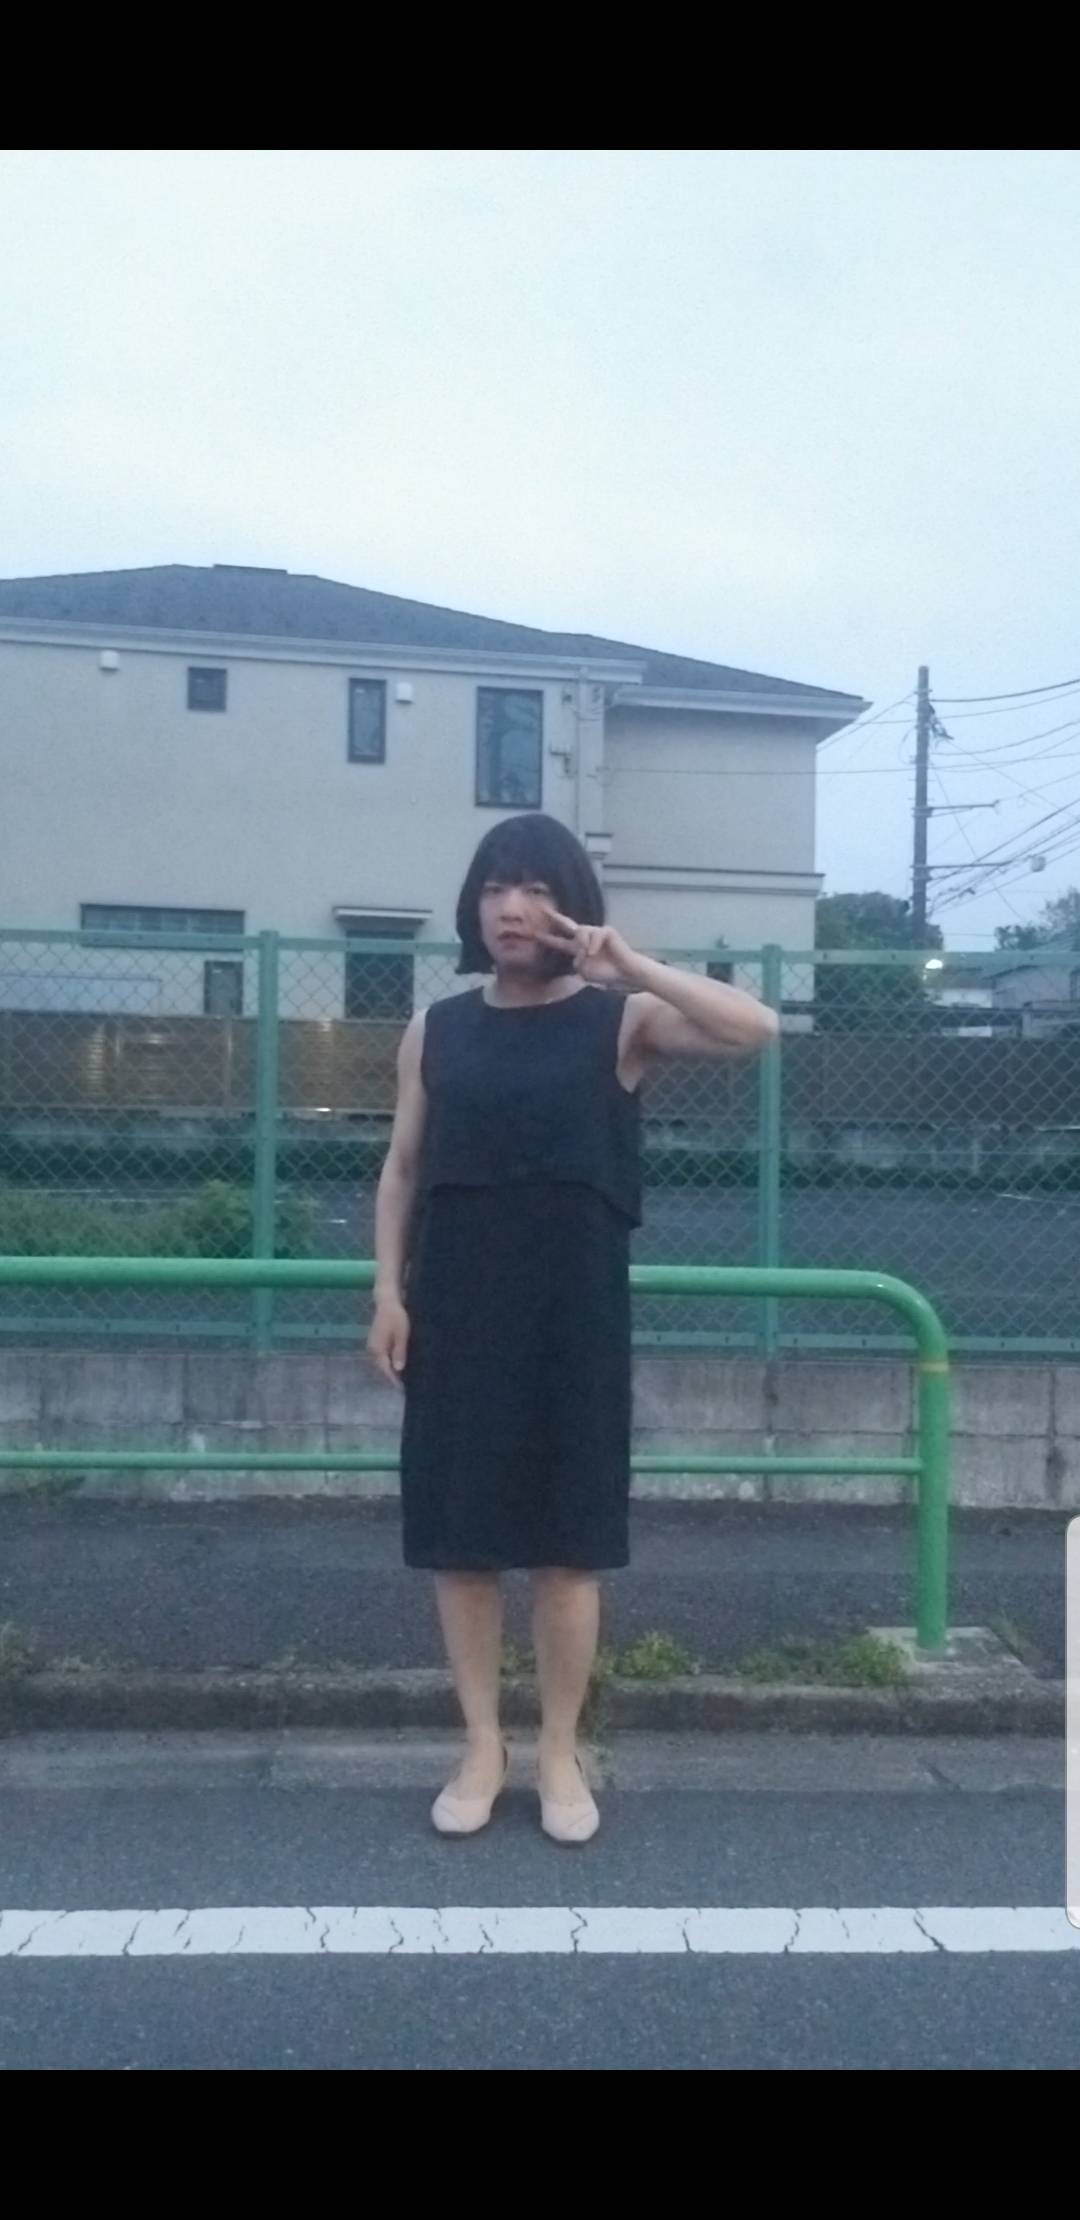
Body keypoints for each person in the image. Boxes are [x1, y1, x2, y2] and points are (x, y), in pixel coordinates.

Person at [367, 815, 777, 1843]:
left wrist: (630, 964)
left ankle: (557, 1749)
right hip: (456, 1305)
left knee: (568, 1549)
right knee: (461, 1544)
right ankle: (481, 1746)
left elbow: (756, 1029)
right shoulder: (435, 1029)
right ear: (474, 907)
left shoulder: (620, 1021)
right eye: (495, 887)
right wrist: (387, 1291)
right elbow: (403, 1167)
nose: (512, 907)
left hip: (573, 1310)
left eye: (536, 888)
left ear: (570, 906)